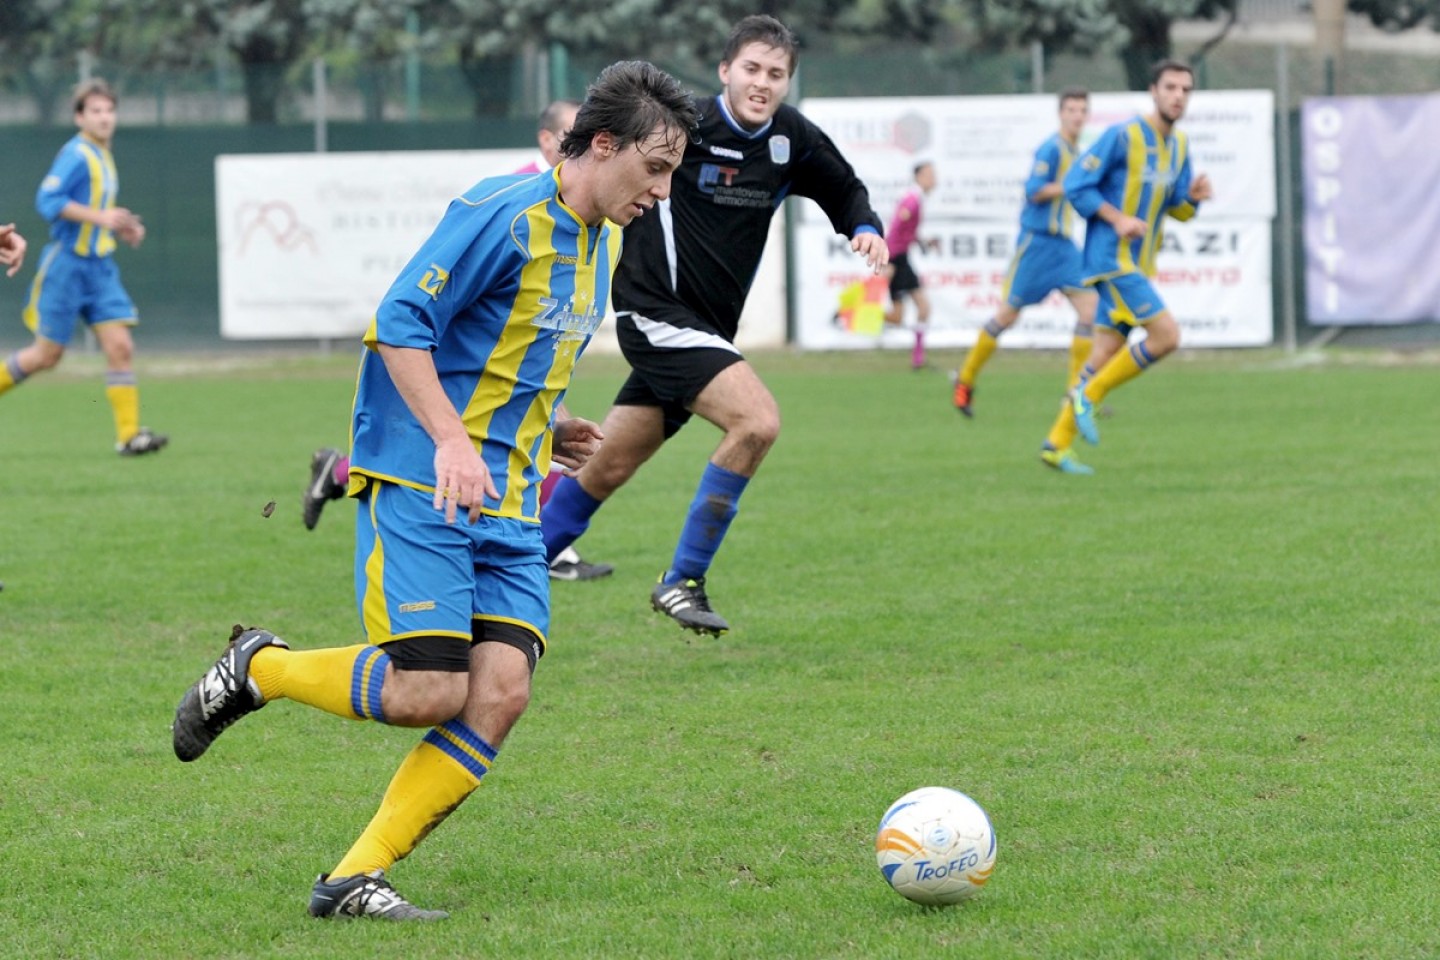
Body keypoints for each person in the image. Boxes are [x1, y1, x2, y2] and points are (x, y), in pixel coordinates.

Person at [171, 61, 697, 921]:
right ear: (603, 146)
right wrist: (453, 439)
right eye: (656, 169)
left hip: (512, 498)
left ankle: (353, 878)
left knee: (500, 692)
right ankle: (256, 668)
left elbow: (497, 349)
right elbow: (400, 324)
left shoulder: (601, 239)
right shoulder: (503, 213)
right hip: (424, 476)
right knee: (425, 690)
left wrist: (550, 416)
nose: (662, 192)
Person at [540, 14, 888, 636]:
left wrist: (863, 227)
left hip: (705, 335)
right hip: (655, 313)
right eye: (751, 69)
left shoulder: (790, 138)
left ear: (787, 82)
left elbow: (843, 186)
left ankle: (507, 571)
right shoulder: (683, 128)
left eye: (776, 74)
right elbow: (612, 150)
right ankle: (683, 580)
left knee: (606, 465)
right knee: (757, 421)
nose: (763, 83)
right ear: (726, 71)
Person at [301, 100, 613, 583]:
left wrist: (555, 415)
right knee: (428, 659)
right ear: (549, 141)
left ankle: (338, 471)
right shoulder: (516, 204)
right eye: (572, 133)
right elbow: (410, 323)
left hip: (501, 469)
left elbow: (532, 342)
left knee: (498, 657)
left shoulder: (604, 224)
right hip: (429, 464)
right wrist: (452, 439)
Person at [1039, 61, 1212, 475]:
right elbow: (1078, 184)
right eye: (1170, 87)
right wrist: (1118, 220)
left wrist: (1195, 197)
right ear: (1153, 91)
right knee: (1167, 335)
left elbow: (1179, 209)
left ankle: (1056, 445)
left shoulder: (1180, 147)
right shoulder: (1123, 136)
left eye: (1186, 89)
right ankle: (1089, 396)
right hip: (1110, 260)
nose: (1178, 96)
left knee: (1104, 351)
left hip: (1138, 263)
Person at [0, 79, 167, 455]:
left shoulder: (103, 155)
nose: (105, 117)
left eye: (109, 110)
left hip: (100, 269)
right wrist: (101, 217)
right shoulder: (77, 154)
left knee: (121, 345)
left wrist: (121, 226)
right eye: (95, 111)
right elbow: (47, 200)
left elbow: (100, 214)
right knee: (46, 356)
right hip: (67, 268)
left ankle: (129, 436)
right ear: (79, 117)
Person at [952, 88, 1098, 419]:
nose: (1077, 115)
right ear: (1061, 114)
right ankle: (965, 379)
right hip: (1038, 244)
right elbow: (1033, 191)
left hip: (1064, 246)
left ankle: (1076, 394)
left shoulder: (1077, 151)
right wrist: (1068, 187)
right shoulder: (1052, 148)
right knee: (1007, 315)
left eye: (1082, 110)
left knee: (1090, 312)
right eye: (1072, 109)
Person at [884, 160, 937, 371]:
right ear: (919, 177)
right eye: (930, 174)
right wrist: (889, 261)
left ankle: (917, 358)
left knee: (918, 309)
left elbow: (906, 231)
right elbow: (896, 228)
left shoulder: (916, 199)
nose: (934, 179)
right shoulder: (912, 200)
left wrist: (924, 242)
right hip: (896, 260)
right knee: (902, 315)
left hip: (900, 258)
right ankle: (852, 313)